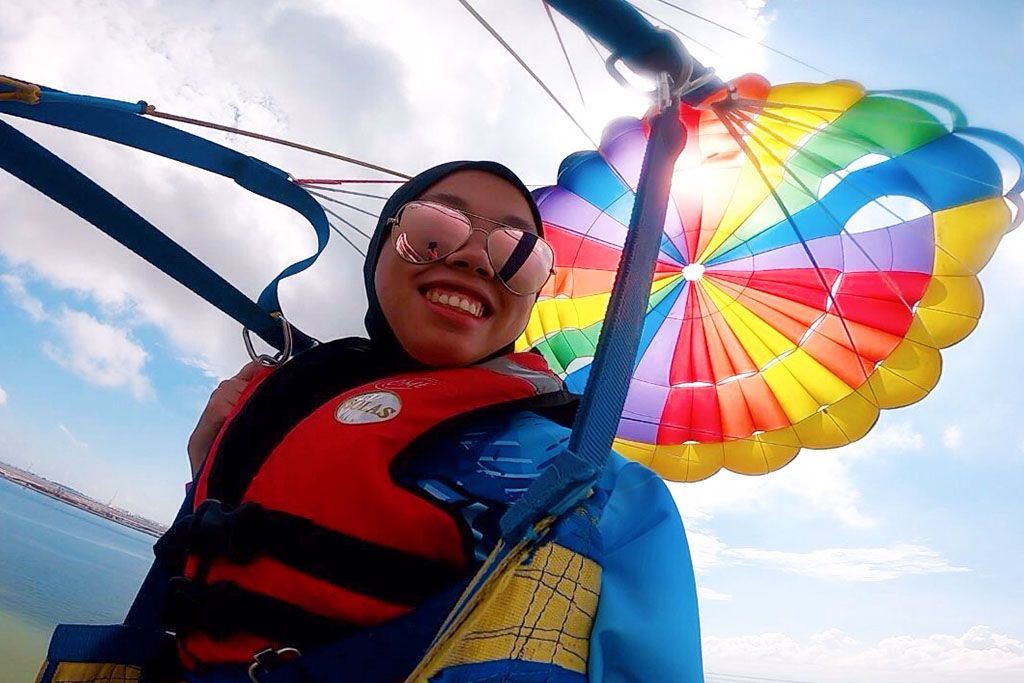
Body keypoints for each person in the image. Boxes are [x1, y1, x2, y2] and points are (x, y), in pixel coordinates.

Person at [35, 161, 703, 683]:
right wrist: (206, 478)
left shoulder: (574, 481)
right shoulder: (280, 394)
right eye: (435, 230)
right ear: (381, 245)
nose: (473, 259)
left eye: (516, 253)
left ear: (531, 293)